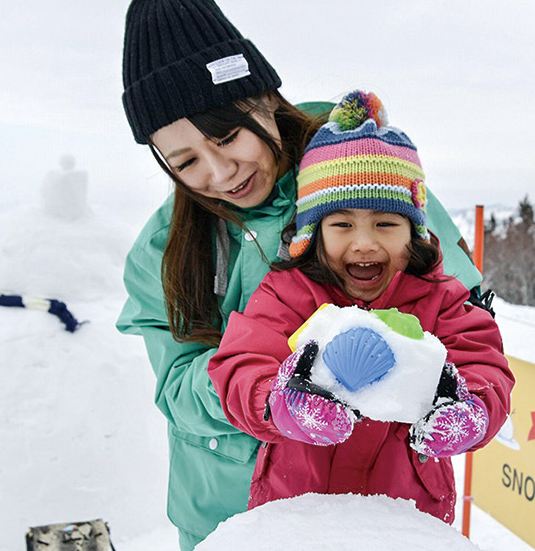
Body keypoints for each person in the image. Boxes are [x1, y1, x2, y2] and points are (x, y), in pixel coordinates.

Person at [115, 0, 485, 548]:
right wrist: (269, 393)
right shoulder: (163, 249)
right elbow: (176, 385)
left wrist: (461, 398)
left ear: (263, 98)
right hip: (227, 513)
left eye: (227, 137)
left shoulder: (359, 173)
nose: (219, 173)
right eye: (185, 161)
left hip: (378, 508)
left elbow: (454, 314)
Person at [208, 91, 514, 524]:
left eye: (386, 223)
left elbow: (484, 363)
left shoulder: (440, 299)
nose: (364, 242)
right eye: (343, 223)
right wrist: (278, 405)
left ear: (415, 231)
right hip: (296, 510)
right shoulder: (286, 293)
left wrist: (473, 412)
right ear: (313, 231)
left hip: (405, 515)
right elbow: (239, 363)